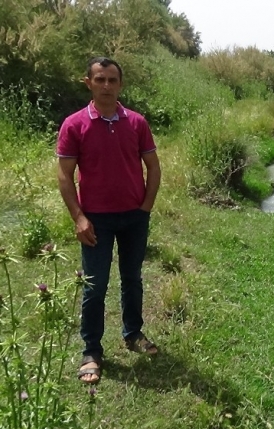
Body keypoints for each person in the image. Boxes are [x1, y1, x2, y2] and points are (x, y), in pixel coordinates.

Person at [57, 57, 161, 384]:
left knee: (132, 278)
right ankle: (91, 351)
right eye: (100, 79)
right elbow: (64, 176)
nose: (106, 85)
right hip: (95, 221)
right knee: (95, 285)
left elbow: (153, 168)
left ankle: (132, 334)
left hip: (134, 217)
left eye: (112, 80)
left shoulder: (137, 123)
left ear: (120, 84)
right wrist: (79, 218)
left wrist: (145, 207)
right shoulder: (74, 124)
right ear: (88, 82)